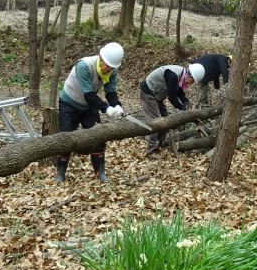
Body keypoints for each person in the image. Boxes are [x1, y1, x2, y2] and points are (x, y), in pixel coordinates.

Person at [55, 42, 126, 183]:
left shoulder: (113, 69)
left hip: (89, 106)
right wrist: (106, 108)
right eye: (108, 65)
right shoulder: (84, 66)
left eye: (113, 67)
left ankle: (100, 172)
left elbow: (110, 91)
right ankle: (60, 173)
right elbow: (88, 94)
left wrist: (116, 105)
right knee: (66, 138)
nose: (109, 69)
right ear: (101, 57)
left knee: (98, 136)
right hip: (70, 104)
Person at [139, 63, 205, 158]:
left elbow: (179, 91)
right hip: (148, 93)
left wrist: (186, 102)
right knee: (156, 122)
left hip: (157, 95)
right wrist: (182, 108)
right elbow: (172, 97)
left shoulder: (181, 75)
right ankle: (151, 150)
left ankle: (158, 145)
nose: (191, 83)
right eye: (193, 80)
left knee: (166, 121)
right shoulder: (173, 75)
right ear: (189, 75)